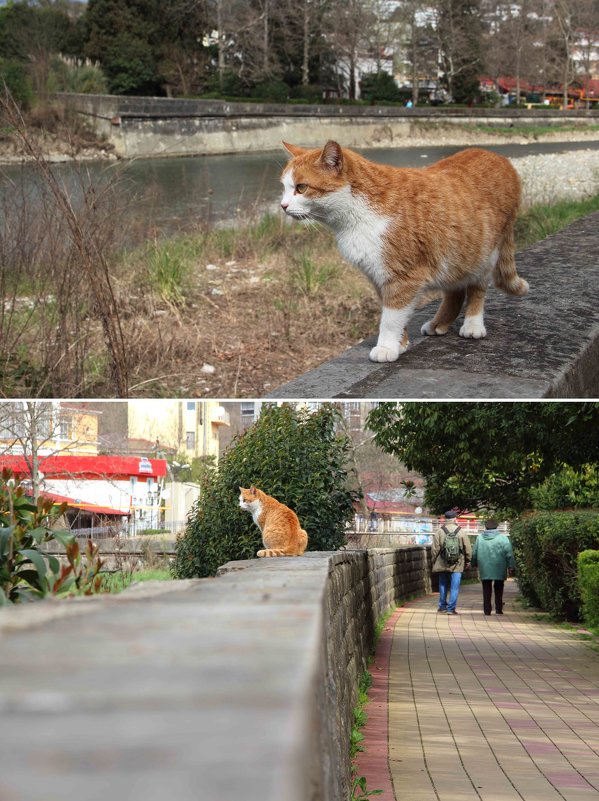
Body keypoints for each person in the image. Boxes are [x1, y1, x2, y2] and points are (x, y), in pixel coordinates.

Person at [471, 519, 515, 615]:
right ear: (496, 527)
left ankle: (487, 610)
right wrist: (511, 566)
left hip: (484, 566)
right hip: (499, 566)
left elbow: (474, 553)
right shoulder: (503, 538)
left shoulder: (479, 538)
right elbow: (509, 554)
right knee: (499, 587)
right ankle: (499, 609)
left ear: (486, 527)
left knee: (486, 588)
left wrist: (473, 563)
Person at [431, 511, 472, 615]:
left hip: (442, 562)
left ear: (445, 519)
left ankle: (442, 606)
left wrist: (433, 561)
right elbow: (468, 548)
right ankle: (451, 609)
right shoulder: (461, 531)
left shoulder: (440, 531)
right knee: (454, 586)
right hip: (457, 563)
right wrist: (468, 560)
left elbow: (435, 549)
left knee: (443, 584)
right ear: (455, 519)